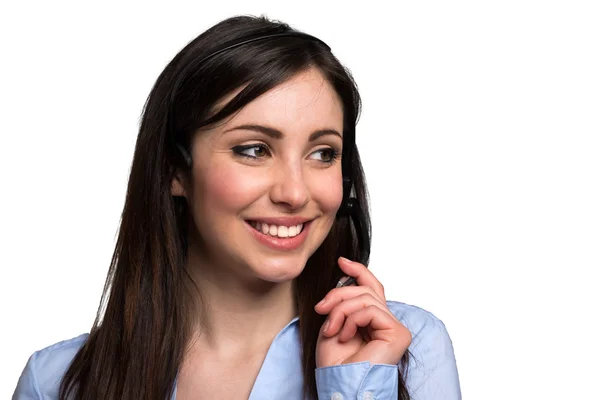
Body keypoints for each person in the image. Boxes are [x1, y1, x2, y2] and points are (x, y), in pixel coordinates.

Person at [13, 15, 461, 400]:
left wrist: (355, 385)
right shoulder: (57, 382)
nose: (295, 192)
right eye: (253, 149)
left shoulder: (405, 350)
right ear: (176, 170)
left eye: (323, 153)